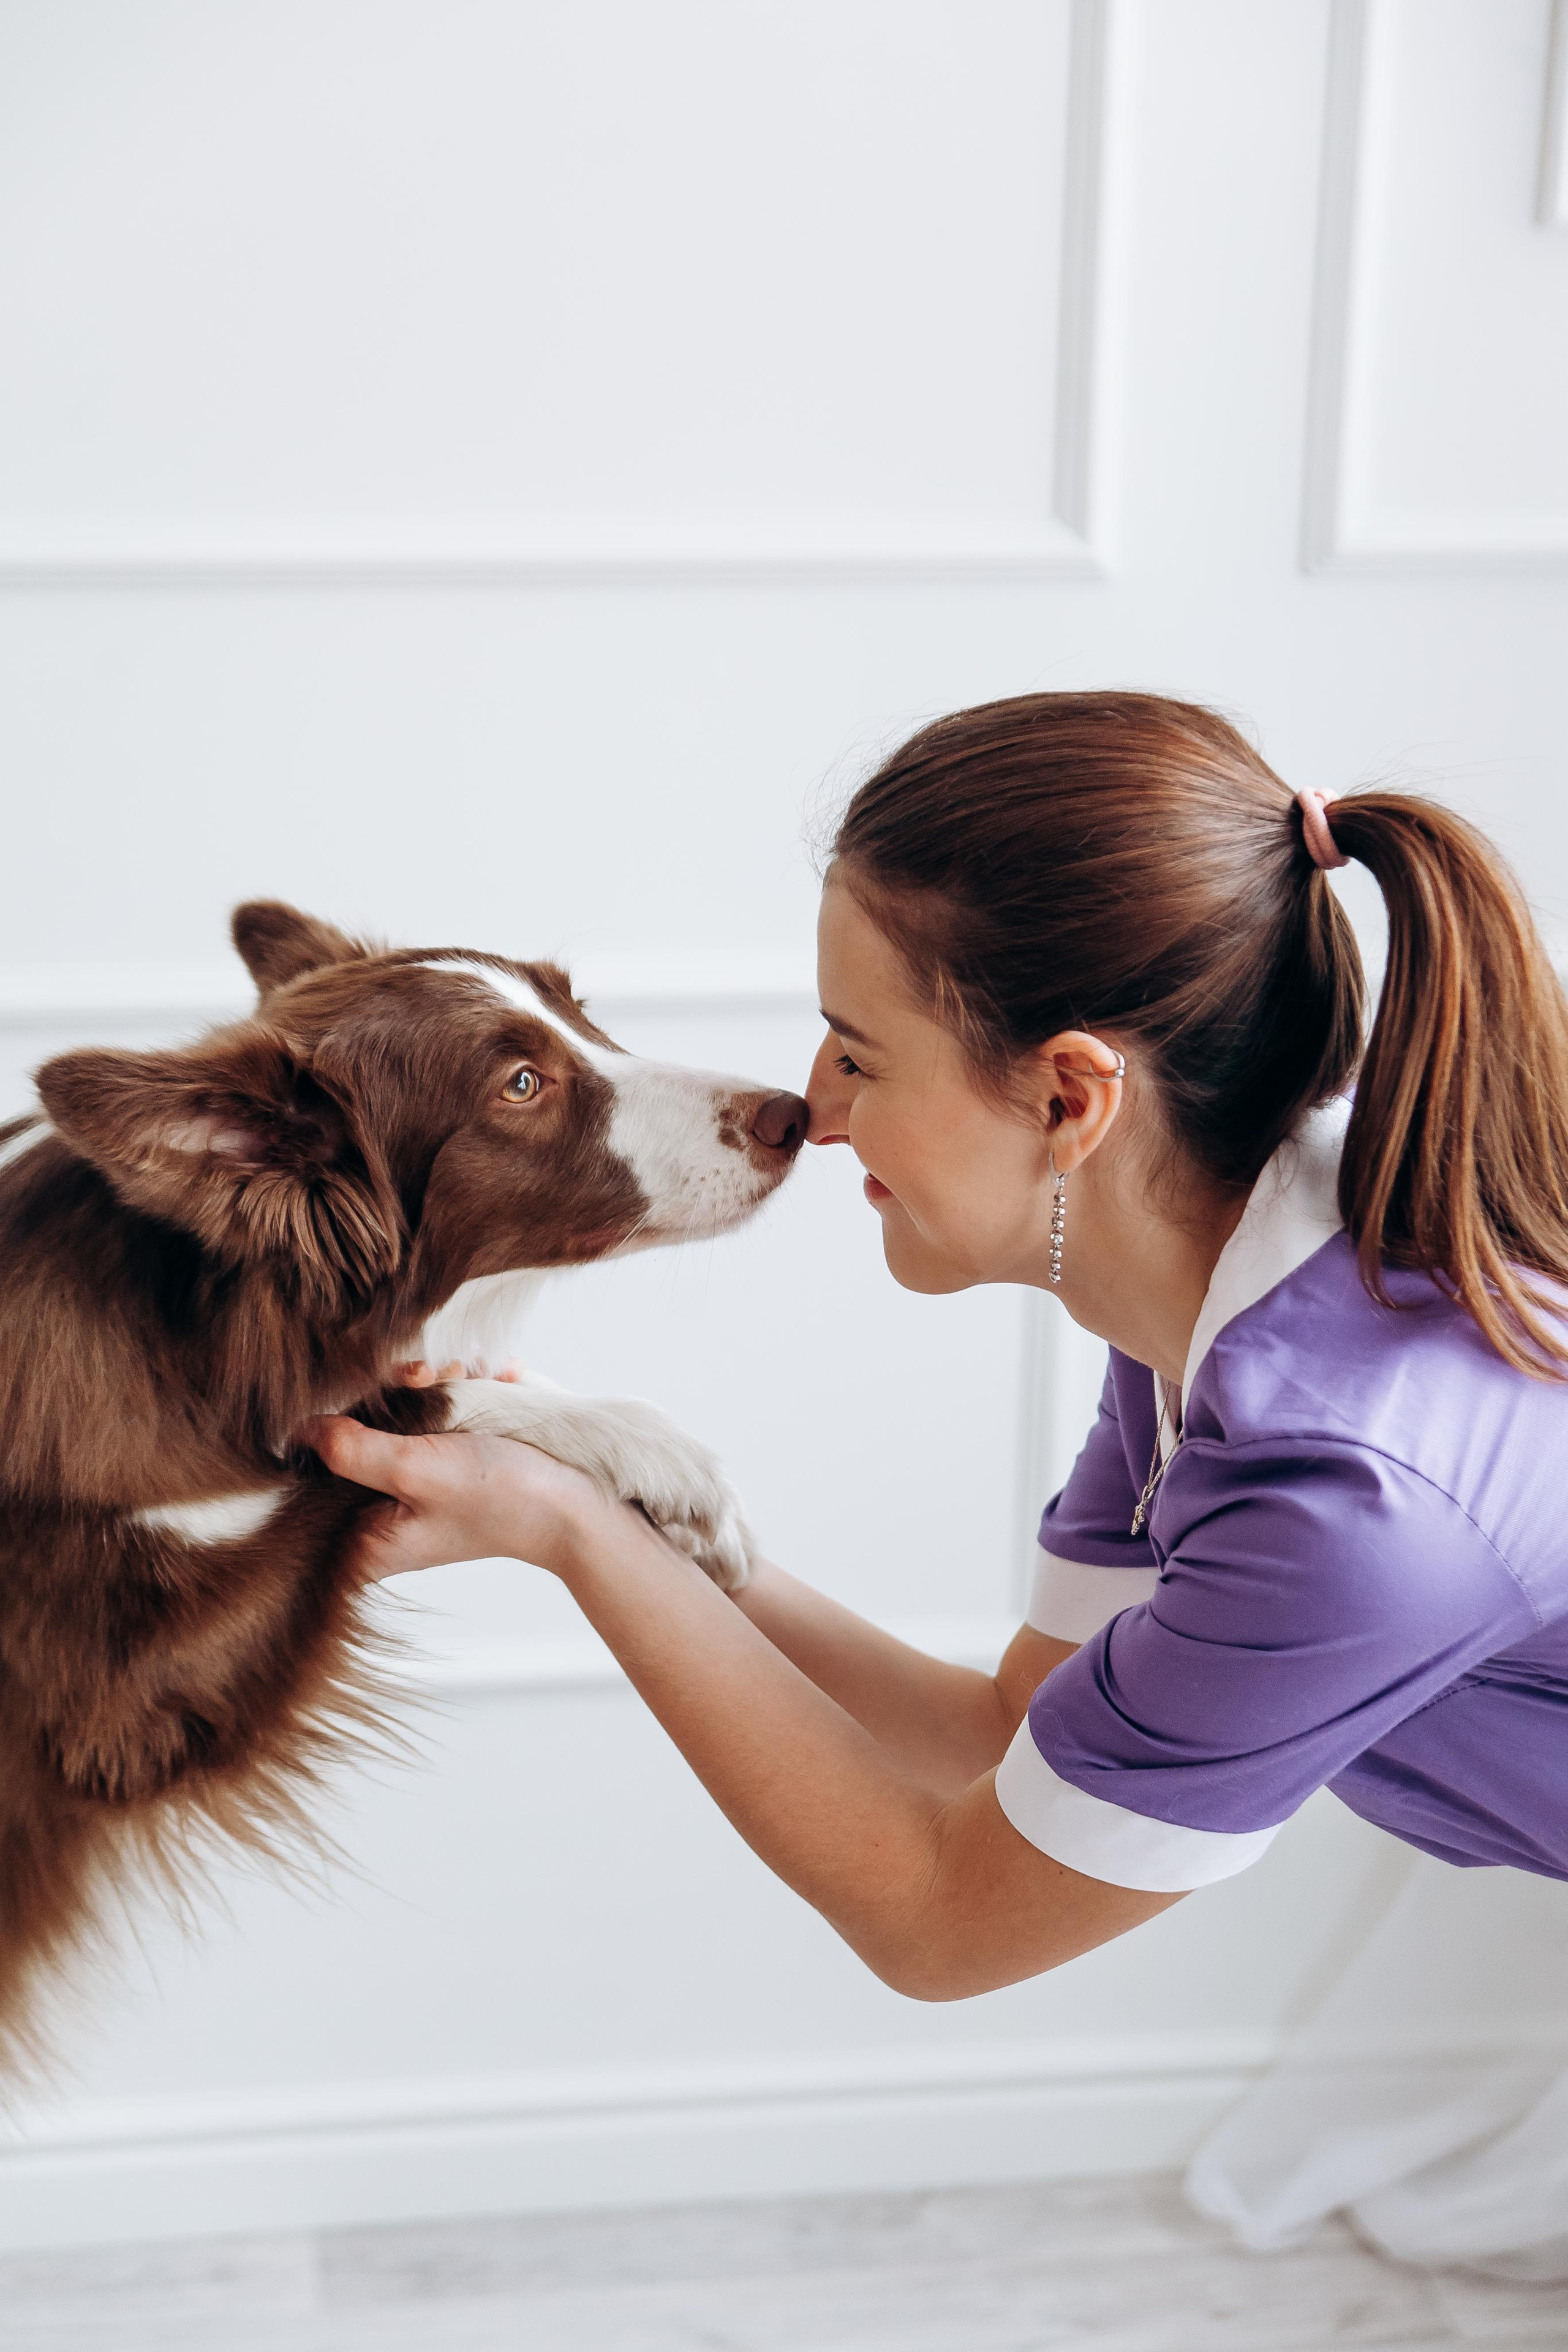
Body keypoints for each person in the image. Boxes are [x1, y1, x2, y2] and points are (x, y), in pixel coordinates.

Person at [307, 691, 1568, 1999]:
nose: (816, 1111)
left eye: (859, 1055)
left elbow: (941, 1919)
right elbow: (1004, 1733)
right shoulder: (1219, 1268)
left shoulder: (1347, 1501)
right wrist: (599, 1499)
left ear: (1067, 1099)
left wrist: (572, 1537)